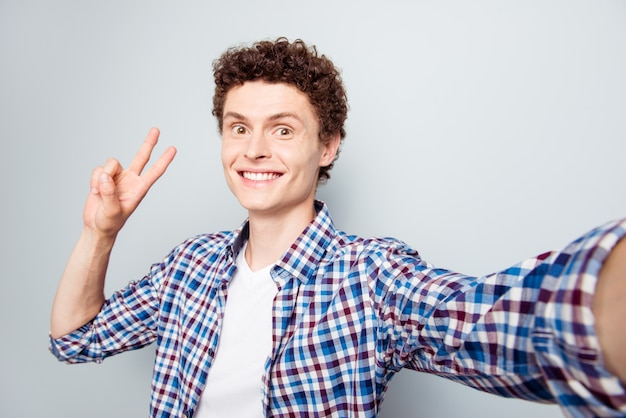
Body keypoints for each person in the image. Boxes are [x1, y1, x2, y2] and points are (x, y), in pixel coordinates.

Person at [49, 37, 626, 417]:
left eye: (282, 129)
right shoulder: (189, 266)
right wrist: (101, 233)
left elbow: (490, 322)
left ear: (328, 146)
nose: (253, 150)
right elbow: (74, 339)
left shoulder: (370, 276)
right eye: (238, 127)